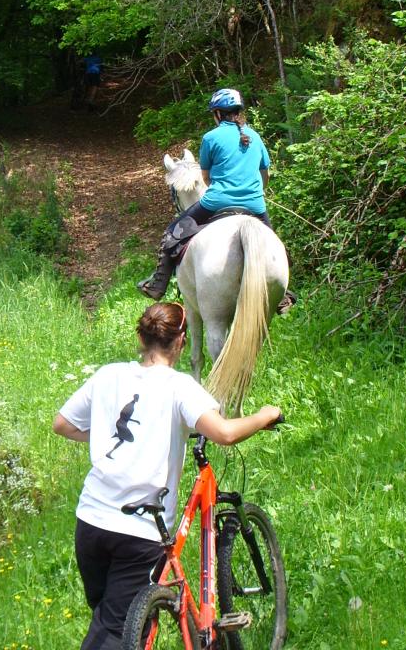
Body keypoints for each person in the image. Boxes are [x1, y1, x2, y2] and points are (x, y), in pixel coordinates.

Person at [53, 302, 282, 650]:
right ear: (179, 342)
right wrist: (264, 416)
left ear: (140, 338)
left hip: (90, 522)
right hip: (138, 532)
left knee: (108, 618)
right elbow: (223, 433)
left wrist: (104, 433)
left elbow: (63, 424)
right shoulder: (180, 387)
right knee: (117, 635)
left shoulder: (108, 375)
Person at [137, 87, 272, 300]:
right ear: (238, 111)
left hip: (216, 202)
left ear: (218, 113)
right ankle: (282, 294)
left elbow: (206, 178)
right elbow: (265, 175)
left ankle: (157, 284)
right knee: (275, 245)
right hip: (255, 205)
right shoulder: (255, 137)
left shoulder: (211, 137)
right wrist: (254, 193)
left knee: (173, 232)